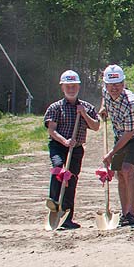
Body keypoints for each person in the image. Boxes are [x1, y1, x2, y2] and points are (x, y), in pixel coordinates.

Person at [44, 70, 100, 229]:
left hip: (76, 149)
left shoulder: (87, 107)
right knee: (58, 169)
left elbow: (95, 126)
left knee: (72, 179)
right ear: (62, 87)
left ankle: (67, 217)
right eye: (68, 86)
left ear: (79, 87)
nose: (71, 89)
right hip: (59, 146)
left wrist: (83, 114)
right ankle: (54, 201)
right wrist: (65, 141)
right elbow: (51, 130)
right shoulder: (55, 108)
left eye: (74, 86)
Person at [101, 64, 134, 226]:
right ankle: (124, 213)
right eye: (110, 85)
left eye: (117, 84)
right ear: (106, 85)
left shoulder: (133, 103)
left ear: (123, 84)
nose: (114, 88)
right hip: (119, 136)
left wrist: (110, 153)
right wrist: (104, 108)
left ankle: (131, 213)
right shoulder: (106, 93)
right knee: (119, 173)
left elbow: (129, 134)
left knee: (128, 169)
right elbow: (104, 98)